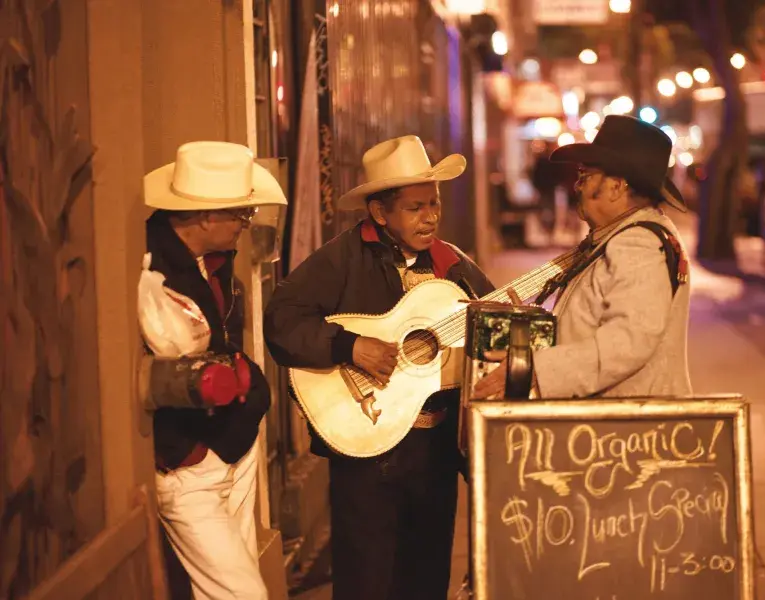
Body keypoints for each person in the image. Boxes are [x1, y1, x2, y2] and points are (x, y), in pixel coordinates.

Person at [264, 135, 493, 600]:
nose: (429, 216)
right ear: (379, 213)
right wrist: (348, 346)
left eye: (433, 204)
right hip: (368, 447)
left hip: (436, 448)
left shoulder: (453, 265)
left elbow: (492, 324)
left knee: (427, 575)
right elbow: (282, 320)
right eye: (414, 208)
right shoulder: (342, 258)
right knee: (367, 577)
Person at [143, 141, 287, 599]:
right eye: (240, 215)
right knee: (243, 593)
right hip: (189, 461)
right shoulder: (152, 267)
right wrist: (191, 454)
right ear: (205, 215)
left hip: (233, 441)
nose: (247, 225)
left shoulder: (216, 261)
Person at [473, 115, 692, 400]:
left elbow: (628, 342)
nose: (577, 186)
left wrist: (537, 369)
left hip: (626, 434)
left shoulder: (637, 245)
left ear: (616, 187)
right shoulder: (619, 237)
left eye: (585, 177)